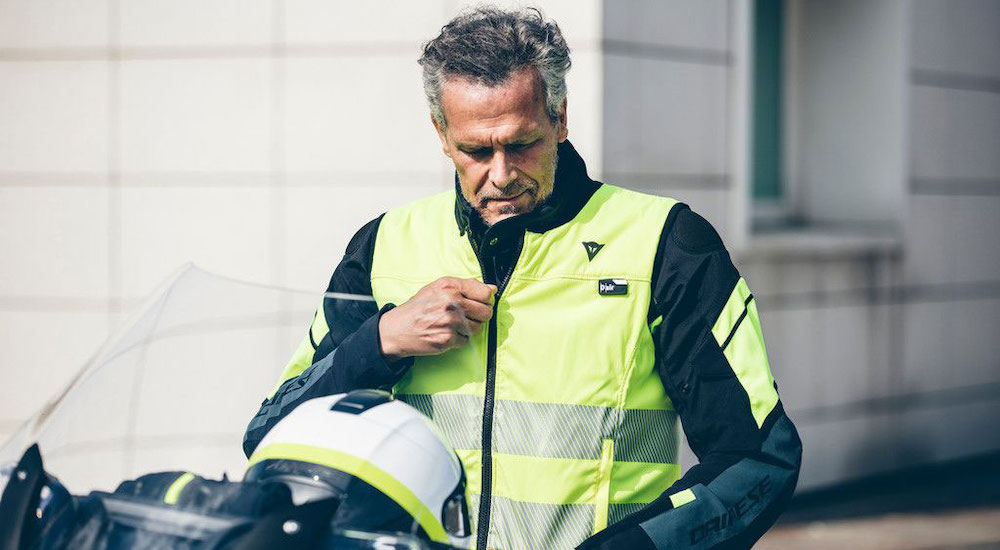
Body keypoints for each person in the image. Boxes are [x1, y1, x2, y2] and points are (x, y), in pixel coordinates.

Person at [244, 6, 801, 550]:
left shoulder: (665, 244)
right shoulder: (384, 244)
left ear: (560, 118)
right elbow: (270, 433)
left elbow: (755, 459)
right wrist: (381, 341)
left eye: (522, 143)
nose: (502, 175)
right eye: (476, 150)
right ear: (441, 133)